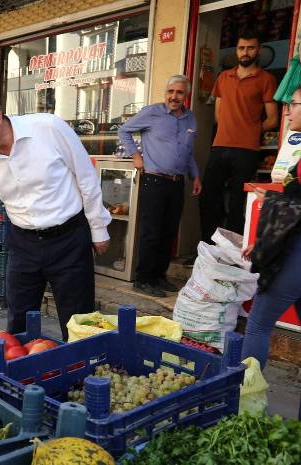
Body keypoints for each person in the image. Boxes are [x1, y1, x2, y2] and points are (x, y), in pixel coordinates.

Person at [0, 88, 111, 340]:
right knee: (19, 321)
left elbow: (86, 178)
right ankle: (20, 375)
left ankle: (81, 376)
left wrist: (98, 228)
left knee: (78, 321)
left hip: (69, 239)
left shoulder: (49, 129)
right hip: (23, 244)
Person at [117, 75, 202, 297]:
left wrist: (195, 176)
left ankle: (158, 276)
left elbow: (188, 151)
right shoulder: (151, 112)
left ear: (186, 95)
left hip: (176, 183)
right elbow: (124, 130)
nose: (174, 96)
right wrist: (135, 156)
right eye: (170, 91)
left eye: (179, 93)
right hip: (154, 180)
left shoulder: (190, 119)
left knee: (169, 232)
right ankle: (143, 278)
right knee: (151, 232)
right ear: (166, 92)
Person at [240, 85, 301, 369]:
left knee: (258, 325)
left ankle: (246, 404)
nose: (287, 110)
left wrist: (273, 198)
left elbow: (296, 210)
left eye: (294, 103)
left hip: (296, 253)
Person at [199, 30, 278, 243]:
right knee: (208, 198)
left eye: (250, 48)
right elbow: (218, 113)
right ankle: (208, 246)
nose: (245, 52)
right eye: (242, 48)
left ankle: (231, 251)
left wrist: (249, 129)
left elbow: (272, 119)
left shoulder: (266, 79)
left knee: (237, 203)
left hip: (246, 150)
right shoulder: (224, 77)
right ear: (237, 50)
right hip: (219, 145)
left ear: (258, 50)